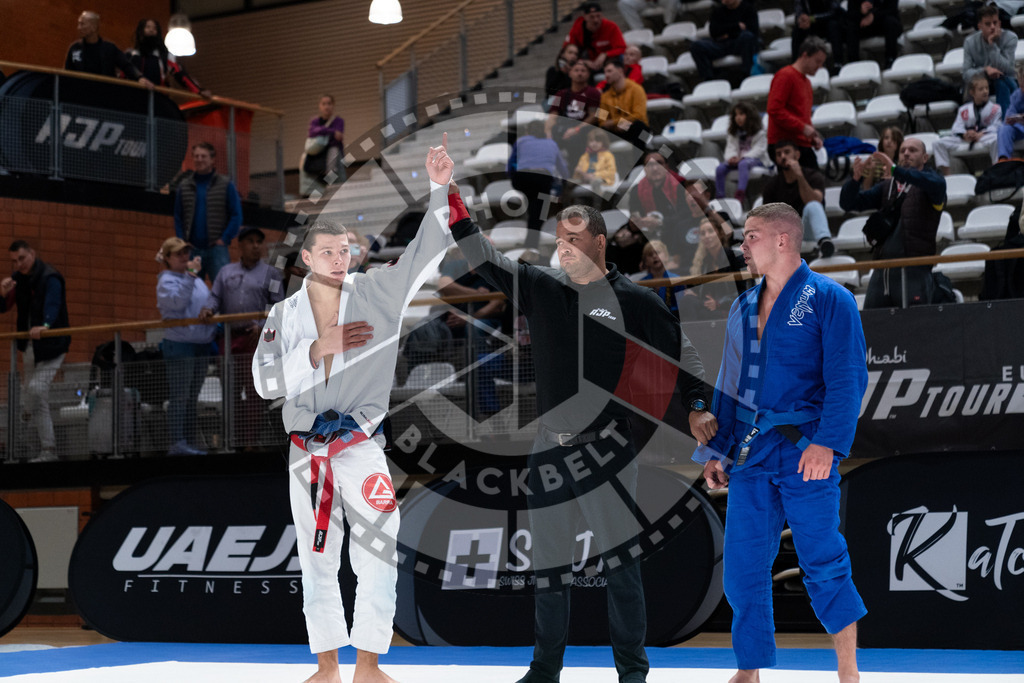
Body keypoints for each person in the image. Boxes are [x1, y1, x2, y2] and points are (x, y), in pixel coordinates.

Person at [447, 184, 716, 683]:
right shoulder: (541, 286)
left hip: (608, 449)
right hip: (547, 447)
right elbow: (481, 256)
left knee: (620, 566)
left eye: (573, 238)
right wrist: (454, 203)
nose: (563, 247)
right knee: (548, 570)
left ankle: (632, 672)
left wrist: (698, 406)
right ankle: (545, 669)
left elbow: (685, 356)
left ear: (599, 241)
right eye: (558, 238)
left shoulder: (634, 300)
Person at [252, 135, 454, 683]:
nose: (342, 259)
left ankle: (369, 663)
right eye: (331, 252)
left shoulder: (379, 294)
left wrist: (439, 190)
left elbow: (422, 256)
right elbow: (263, 381)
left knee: (378, 549)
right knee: (317, 558)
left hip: (361, 446)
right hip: (306, 451)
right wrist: (318, 349)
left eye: (347, 251)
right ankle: (326, 667)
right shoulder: (284, 316)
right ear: (308, 259)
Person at [694, 202, 868, 683]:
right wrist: (717, 451)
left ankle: (848, 670)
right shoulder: (742, 305)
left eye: (750, 236)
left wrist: (828, 444)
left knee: (823, 560)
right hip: (751, 453)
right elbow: (729, 389)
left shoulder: (830, 298)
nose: (742, 245)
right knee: (742, 569)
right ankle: (748, 670)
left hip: (805, 448)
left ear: (782, 240)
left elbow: (848, 379)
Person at [199, 227, 284, 448]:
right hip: (228, 338)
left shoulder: (272, 273)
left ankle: (251, 442)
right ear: (239, 246)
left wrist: (263, 325)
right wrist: (208, 309)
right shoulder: (225, 272)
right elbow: (215, 297)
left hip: (257, 339)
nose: (256, 245)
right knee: (231, 391)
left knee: (255, 393)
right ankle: (232, 441)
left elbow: (278, 306)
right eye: (250, 241)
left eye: (259, 241)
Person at [839, 137, 946, 308]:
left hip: (914, 269)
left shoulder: (934, 183)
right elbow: (848, 203)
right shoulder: (887, 186)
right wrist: (855, 180)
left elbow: (928, 181)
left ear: (925, 158)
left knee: (914, 327)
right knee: (872, 326)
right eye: (902, 150)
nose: (906, 153)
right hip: (882, 270)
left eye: (912, 150)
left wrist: (896, 170)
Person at [0, 241, 70, 462]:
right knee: (34, 399)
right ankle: (41, 449)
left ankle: (47, 449)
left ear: (32, 254)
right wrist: (2, 294)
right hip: (30, 346)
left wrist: (46, 326)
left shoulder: (50, 277)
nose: (18, 264)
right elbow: (4, 308)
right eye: (14, 261)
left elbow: (53, 303)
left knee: (36, 390)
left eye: (22, 259)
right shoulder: (18, 279)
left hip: (52, 345)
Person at [156, 237, 216, 456]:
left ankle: (189, 441)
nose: (184, 257)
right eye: (178, 254)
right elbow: (178, 302)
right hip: (180, 344)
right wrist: (191, 275)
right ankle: (177, 442)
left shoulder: (195, 279)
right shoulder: (166, 281)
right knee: (180, 396)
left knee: (192, 397)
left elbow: (205, 301)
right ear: (168, 258)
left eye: (186, 252)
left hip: (200, 343)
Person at [174, 142, 244, 283]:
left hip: (217, 249)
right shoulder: (184, 186)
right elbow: (178, 217)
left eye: (203, 156)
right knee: (189, 290)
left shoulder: (225, 185)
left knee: (224, 289)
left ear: (212, 159)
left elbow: (236, 215)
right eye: (196, 156)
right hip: (192, 250)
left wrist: (224, 239)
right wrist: (183, 242)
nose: (199, 159)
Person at [762, 141, 835, 257]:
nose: (783, 157)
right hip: (784, 235)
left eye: (787, 152)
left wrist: (800, 176)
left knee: (813, 205)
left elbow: (815, 200)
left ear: (797, 155)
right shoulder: (771, 185)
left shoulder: (813, 176)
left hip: (807, 230)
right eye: (779, 154)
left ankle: (824, 243)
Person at [766, 37, 827, 170]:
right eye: (817, 61)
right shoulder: (786, 76)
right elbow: (774, 109)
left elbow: (802, 116)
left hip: (798, 142)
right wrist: (802, 128)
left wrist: (812, 138)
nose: (819, 66)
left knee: (813, 184)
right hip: (785, 144)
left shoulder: (806, 82)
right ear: (805, 55)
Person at [933, 73, 1003, 174]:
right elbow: (956, 128)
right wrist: (965, 134)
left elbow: (997, 126)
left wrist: (980, 134)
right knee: (938, 143)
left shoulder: (996, 108)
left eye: (987, 88)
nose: (985, 91)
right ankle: (947, 176)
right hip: (965, 139)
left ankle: (998, 171)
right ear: (972, 92)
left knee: (997, 139)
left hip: (985, 137)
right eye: (981, 89)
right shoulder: (964, 109)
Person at [509, 121, 570, 236]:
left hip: (521, 178)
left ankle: (532, 241)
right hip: (542, 178)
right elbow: (563, 169)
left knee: (534, 207)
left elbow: (511, 164)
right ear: (544, 131)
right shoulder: (552, 144)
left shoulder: (521, 141)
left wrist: (512, 176)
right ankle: (532, 243)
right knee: (538, 211)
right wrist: (565, 182)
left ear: (527, 132)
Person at [65, 11, 153, 87]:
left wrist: (139, 77)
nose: (79, 28)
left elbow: (126, 65)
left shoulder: (109, 49)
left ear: (94, 27)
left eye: (82, 24)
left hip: (104, 96)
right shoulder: (75, 48)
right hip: (80, 97)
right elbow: (66, 73)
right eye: (79, 24)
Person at [126, 19, 207, 95]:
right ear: (141, 31)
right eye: (148, 27)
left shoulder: (164, 56)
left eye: (154, 28)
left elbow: (180, 74)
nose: (151, 30)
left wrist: (198, 90)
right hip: (135, 95)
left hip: (157, 96)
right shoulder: (132, 54)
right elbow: (123, 73)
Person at [688, 217, 748, 318]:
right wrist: (695, 293)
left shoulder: (736, 257)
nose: (707, 236)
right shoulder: (705, 263)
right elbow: (705, 292)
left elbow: (746, 290)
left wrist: (719, 302)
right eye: (703, 233)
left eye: (710, 231)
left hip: (734, 308)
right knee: (688, 301)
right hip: (712, 309)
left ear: (720, 234)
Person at [963, 5, 1019, 114]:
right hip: (982, 80)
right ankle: (970, 122)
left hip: (1004, 79)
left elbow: (1009, 69)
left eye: (995, 22)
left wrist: (992, 45)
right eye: (988, 24)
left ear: (1000, 23)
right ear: (980, 26)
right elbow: (966, 74)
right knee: (971, 85)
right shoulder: (970, 42)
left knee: (1002, 82)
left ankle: (1004, 123)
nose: (993, 27)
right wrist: (985, 71)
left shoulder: (1010, 38)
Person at [689, 0, 759, 83]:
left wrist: (727, 33)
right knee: (696, 45)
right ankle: (708, 79)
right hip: (721, 44)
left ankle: (746, 74)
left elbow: (752, 32)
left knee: (747, 37)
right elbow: (714, 32)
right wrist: (736, 27)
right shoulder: (718, 11)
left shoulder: (748, 9)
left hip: (739, 44)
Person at [715, 102, 770, 203]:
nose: (738, 117)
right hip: (737, 159)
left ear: (749, 116)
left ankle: (740, 194)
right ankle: (720, 196)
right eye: (736, 115)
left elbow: (759, 150)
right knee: (720, 168)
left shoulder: (760, 133)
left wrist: (743, 157)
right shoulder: (733, 134)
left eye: (741, 114)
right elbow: (730, 148)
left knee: (743, 164)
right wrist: (732, 157)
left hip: (756, 159)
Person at [546, 61, 601, 162]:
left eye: (583, 71)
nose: (579, 73)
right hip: (564, 128)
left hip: (583, 130)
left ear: (588, 74)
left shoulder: (593, 93)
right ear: (570, 73)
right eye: (576, 70)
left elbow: (594, 116)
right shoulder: (561, 94)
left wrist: (576, 129)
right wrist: (548, 134)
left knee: (574, 140)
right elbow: (552, 116)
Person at [301, 94, 347, 197]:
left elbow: (338, 137)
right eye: (324, 104)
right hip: (318, 152)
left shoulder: (339, 121)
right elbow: (312, 132)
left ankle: (331, 191)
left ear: (333, 105)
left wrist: (323, 132)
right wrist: (331, 131)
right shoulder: (315, 121)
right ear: (320, 106)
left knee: (332, 166)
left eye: (329, 104)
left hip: (332, 151)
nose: (327, 106)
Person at [563, 2, 627, 76]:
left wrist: (606, 54)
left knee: (621, 57)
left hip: (608, 61)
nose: (596, 20)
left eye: (598, 16)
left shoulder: (611, 27)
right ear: (585, 17)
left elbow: (622, 47)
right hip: (586, 62)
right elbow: (566, 50)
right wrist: (582, 61)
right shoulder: (577, 28)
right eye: (592, 17)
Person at [633, 239, 688, 315]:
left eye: (657, 252)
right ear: (646, 261)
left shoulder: (676, 280)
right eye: (650, 254)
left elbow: (681, 307)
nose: (654, 256)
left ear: (666, 256)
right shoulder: (642, 284)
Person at [598, 57, 648, 140]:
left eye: (609, 71)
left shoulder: (636, 89)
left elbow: (639, 115)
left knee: (639, 126)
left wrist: (615, 122)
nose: (606, 75)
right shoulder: (604, 96)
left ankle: (643, 153)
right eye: (605, 72)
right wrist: (616, 125)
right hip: (615, 130)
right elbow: (602, 121)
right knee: (598, 131)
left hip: (633, 127)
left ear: (620, 71)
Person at [792, 0, 846, 74]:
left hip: (828, 23)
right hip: (811, 25)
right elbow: (798, 11)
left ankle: (838, 63)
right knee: (797, 30)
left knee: (833, 25)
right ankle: (795, 65)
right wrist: (801, 19)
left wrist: (812, 18)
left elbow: (835, 12)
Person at [847, 0, 902, 70]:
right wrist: (861, 11)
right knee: (851, 27)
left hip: (884, 22)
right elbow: (850, 15)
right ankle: (853, 64)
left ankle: (890, 60)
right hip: (864, 26)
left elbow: (892, 10)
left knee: (890, 22)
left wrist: (874, 16)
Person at [861, 126, 903, 190]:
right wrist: (872, 171)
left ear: (899, 144)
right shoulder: (873, 160)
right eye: (886, 138)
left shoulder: (900, 163)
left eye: (893, 139)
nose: (889, 141)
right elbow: (866, 188)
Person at [996, 64, 1024, 161]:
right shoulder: (1017, 95)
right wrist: (1017, 119)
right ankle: (1004, 159)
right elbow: (1009, 116)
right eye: (1022, 86)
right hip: (1021, 128)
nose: (1023, 90)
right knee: (1004, 129)